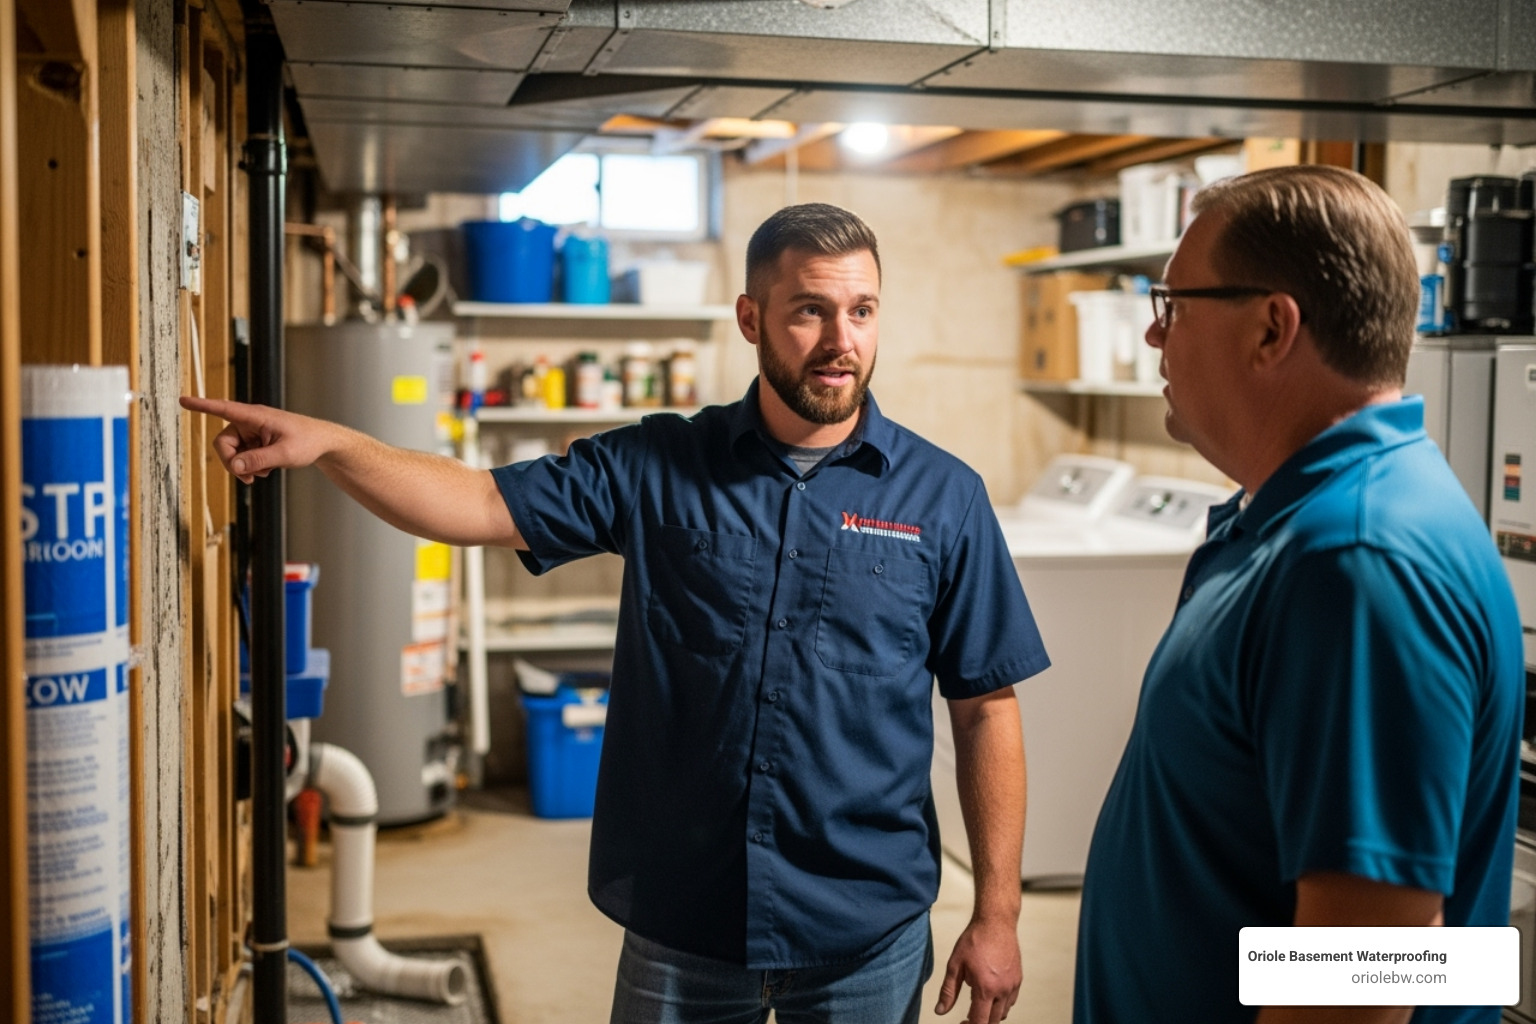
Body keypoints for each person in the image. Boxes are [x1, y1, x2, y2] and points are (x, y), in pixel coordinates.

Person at [183, 203, 1050, 1024]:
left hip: (865, 927)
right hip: (687, 921)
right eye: (809, 312)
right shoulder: (659, 465)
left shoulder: (944, 498)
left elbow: (984, 708)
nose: (840, 341)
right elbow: (477, 503)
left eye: (861, 311)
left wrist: (999, 913)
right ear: (751, 319)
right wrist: (335, 444)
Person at [1073, 164, 1524, 1024]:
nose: (1154, 338)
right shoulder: (1294, 524)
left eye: (1174, 307)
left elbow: (1367, 969)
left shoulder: (1359, 559)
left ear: (1273, 328)